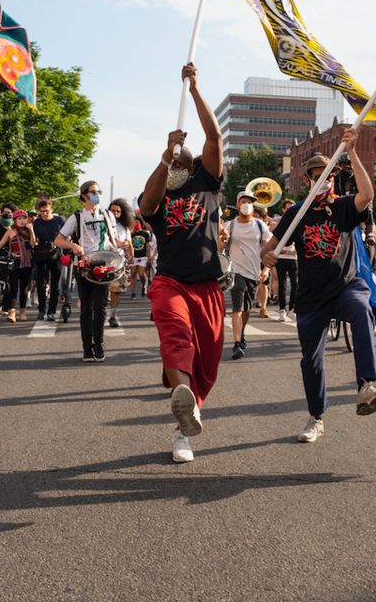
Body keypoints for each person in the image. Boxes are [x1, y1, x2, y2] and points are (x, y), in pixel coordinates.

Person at [261, 129, 376, 444]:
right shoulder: (297, 213)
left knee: (362, 310)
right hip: (311, 297)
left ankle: (366, 385)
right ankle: (316, 417)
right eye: (318, 177)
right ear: (308, 180)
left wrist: (353, 152)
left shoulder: (344, 207)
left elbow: (368, 195)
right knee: (311, 360)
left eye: (329, 177)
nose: (325, 181)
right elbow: (272, 244)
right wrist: (268, 255)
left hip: (346, 286)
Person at [139, 62, 226, 463]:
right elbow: (146, 203)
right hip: (170, 282)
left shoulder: (206, 183)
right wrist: (162, 158)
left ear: (191, 168)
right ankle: (181, 395)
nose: (174, 170)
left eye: (178, 164)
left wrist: (194, 89)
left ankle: (185, 424)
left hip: (208, 286)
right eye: (171, 165)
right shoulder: (161, 195)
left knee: (206, 364)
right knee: (176, 338)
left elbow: (214, 136)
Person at [54, 182, 122, 361]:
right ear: (84, 195)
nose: (97, 194)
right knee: (86, 308)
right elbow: (58, 240)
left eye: (99, 191)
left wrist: (125, 245)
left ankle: (99, 344)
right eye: (93, 192)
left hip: (103, 265)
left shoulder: (107, 215)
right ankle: (87, 347)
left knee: (100, 306)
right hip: (83, 266)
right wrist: (73, 245)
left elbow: (114, 239)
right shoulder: (76, 217)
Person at [222, 190, 270, 360]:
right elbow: (219, 247)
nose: (246, 204)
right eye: (243, 201)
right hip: (236, 272)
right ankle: (236, 344)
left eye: (250, 202)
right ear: (237, 204)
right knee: (238, 307)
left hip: (254, 272)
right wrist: (223, 238)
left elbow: (267, 250)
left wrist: (265, 270)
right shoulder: (231, 225)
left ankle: (241, 333)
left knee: (247, 309)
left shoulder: (260, 225)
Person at [0, 208, 36, 322]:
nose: (23, 220)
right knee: (12, 287)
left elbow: (33, 244)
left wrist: (32, 231)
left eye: (24, 218)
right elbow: (0, 245)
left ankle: (22, 311)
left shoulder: (29, 230)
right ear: (15, 220)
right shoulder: (10, 231)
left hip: (27, 263)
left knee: (24, 288)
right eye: (20, 218)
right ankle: (12, 312)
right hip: (14, 262)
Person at [30, 198, 64, 321]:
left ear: (52, 210)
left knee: (55, 285)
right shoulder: (37, 223)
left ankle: (51, 311)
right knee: (40, 284)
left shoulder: (59, 220)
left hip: (56, 253)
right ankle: (41, 309)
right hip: (42, 254)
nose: (45, 213)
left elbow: (67, 235)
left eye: (47, 211)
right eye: (42, 211)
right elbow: (33, 240)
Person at [106, 198, 136, 327]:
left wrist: (131, 256)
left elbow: (129, 244)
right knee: (102, 292)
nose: (115, 213)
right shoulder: (103, 224)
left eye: (118, 211)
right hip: (103, 262)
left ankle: (112, 315)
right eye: (112, 211)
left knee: (116, 291)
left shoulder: (125, 227)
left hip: (119, 263)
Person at [272, 200, 298, 322]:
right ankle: (282, 310)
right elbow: (273, 237)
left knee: (295, 284)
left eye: (291, 208)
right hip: (281, 258)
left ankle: (292, 309)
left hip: (293, 258)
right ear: (283, 210)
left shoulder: (298, 221)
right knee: (282, 285)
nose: (290, 210)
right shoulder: (278, 221)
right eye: (287, 208)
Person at [128, 220, 155, 298]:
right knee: (133, 274)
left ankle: (144, 285)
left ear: (140, 223)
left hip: (142, 257)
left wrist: (149, 256)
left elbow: (147, 246)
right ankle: (133, 293)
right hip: (133, 257)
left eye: (137, 222)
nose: (135, 224)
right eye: (134, 222)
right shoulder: (130, 234)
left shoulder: (145, 234)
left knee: (141, 274)